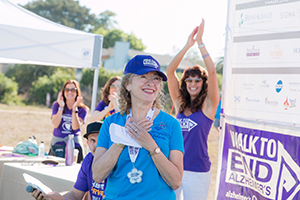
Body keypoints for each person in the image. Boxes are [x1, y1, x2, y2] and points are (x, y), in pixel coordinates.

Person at [92, 55, 184, 200]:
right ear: (127, 84)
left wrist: (152, 147)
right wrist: (122, 140)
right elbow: (97, 175)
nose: (151, 83)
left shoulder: (172, 125)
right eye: (143, 76)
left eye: (156, 79)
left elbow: (176, 182)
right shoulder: (111, 123)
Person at [166, 19, 219, 200]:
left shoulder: (208, 106)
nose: (193, 84)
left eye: (197, 80)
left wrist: (200, 43)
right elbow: (169, 70)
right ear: (185, 83)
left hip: (197, 172)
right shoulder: (180, 104)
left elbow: (212, 72)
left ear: (203, 83)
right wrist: (188, 45)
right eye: (189, 80)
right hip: (173, 167)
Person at [31, 121, 107, 200]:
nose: (97, 145)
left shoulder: (115, 162)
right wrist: (53, 197)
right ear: (87, 143)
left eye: (101, 140)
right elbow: (76, 194)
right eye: (92, 141)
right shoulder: (88, 159)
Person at [49, 79, 89, 163]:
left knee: (75, 166)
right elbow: (55, 124)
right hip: (58, 140)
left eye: (73, 90)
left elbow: (75, 127)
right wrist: (61, 107)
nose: (70, 92)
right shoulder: (56, 105)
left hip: (74, 141)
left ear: (77, 92)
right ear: (63, 92)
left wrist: (74, 109)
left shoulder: (83, 109)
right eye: (67, 90)